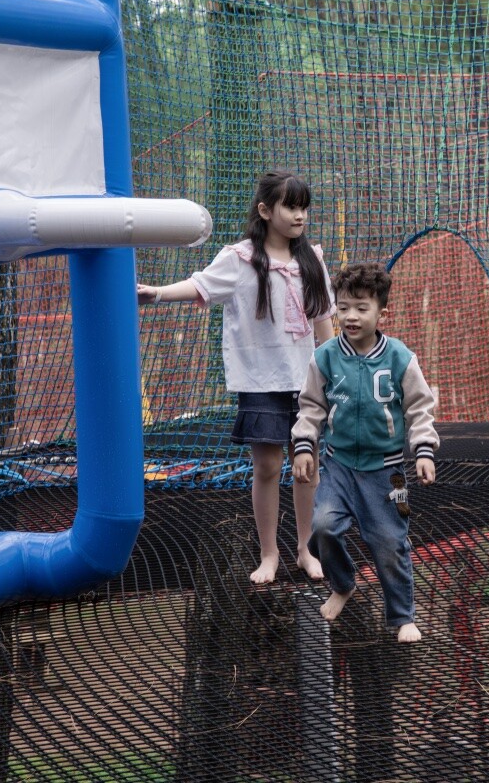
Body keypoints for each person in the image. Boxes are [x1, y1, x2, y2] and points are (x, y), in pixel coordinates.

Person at [138, 170, 335, 584]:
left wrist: (334, 376)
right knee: (266, 466)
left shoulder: (311, 260)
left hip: (305, 383)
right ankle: (269, 554)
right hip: (260, 381)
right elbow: (201, 286)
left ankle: (306, 549)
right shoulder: (241, 258)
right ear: (265, 210)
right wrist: (157, 293)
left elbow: (323, 325)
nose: (300, 216)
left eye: (304, 208)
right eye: (290, 206)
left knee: (307, 467)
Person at [291, 263, 438, 643]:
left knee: (390, 542)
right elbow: (311, 408)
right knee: (322, 527)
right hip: (338, 465)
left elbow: (420, 408)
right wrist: (305, 445)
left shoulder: (400, 358)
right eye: (343, 308)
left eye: (361, 308)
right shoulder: (325, 357)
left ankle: (402, 615)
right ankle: (343, 585)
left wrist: (423, 450)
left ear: (381, 313)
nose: (351, 316)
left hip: (387, 472)